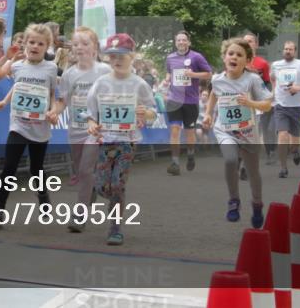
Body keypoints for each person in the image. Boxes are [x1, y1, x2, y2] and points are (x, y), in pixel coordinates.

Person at [86, 33, 156, 246]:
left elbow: (153, 111)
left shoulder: (139, 84)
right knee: (103, 186)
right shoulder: (100, 83)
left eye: (122, 56)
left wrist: (146, 113)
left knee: (118, 184)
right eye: (112, 56)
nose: (116, 60)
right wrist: (91, 124)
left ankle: (115, 227)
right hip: (105, 140)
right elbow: (89, 113)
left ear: (132, 56)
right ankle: (97, 189)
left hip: (128, 140)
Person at [0, 23, 62, 220]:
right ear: (25, 44)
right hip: (19, 125)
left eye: (40, 43)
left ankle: (44, 200)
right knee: (9, 167)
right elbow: (14, 84)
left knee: (36, 168)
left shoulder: (51, 68)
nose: (35, 46)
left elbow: (52, 95)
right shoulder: (16, 66)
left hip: (40, 126)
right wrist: (4, 101)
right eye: (31, 42)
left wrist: (53, 112)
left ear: (47, 46)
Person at [202, 37, 273, 227]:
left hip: (248, 132)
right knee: (230, 160)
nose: (234, 57)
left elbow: (267, 105)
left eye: (239, 55)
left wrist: (250, 103)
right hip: (225, 129)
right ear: (224, 57)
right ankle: (234, 201)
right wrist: (208, 114)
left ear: (247, 61)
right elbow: (214, 95)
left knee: (253, 172)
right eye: (230, 53)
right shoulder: (217, 79)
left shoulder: (252, 80)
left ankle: (257, 203)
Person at [59, 26, 110, 221]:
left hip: (97, 130)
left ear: (94, 47)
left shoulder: (104, 70)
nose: (80, 47)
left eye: (85, 43)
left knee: (85, 169)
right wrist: (54, 112)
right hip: (76, 128)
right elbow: (63, 101)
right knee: (82, 170)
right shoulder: (69, 74)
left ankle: (79, 214)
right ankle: (91, 191)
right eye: (76, 43)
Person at [160, 30, 212, 175]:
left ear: (188, 42)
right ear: (175, 42)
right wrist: (167, 79)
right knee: (175, 130)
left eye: (184, 40)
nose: (181, 42)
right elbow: (169, 73)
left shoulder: (196, 57)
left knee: (190, 132)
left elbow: (208, 73)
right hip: (174, 100)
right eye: (178, 40)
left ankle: (190, 154)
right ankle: (175, 162)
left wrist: (193, 74)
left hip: (190, 101)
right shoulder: (170, 58)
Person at [271, 40, 300, 178]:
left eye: (290, 49)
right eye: (285, 49)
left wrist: (298, 88)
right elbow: (272, 79)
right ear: (283, 50)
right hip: (280, 106)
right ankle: (283, 167)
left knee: (295, 140)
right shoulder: (276, 65)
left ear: (294, 51)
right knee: (282, 135)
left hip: (296, 106)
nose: (287, 51)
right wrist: (274, 92)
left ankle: (295, 151)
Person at [244, 32, 276, 167]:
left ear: (256, 44)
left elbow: (267, 83)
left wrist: (268, 99)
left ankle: (270, 152)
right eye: (245, 41)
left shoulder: (262, 63)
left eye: (250, 41)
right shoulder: (236, 60)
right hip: (243, 100)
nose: (248, 44)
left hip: (259, 100)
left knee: (264, 129)